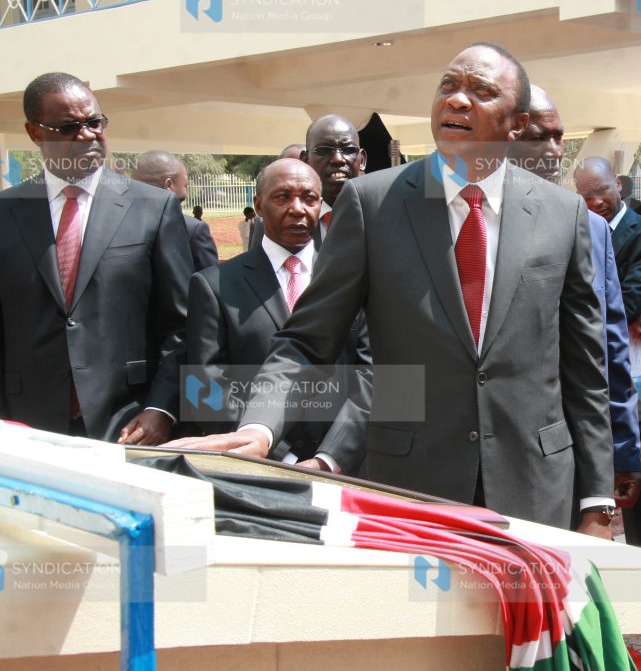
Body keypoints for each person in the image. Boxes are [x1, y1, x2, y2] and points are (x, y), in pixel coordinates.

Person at [167, 43, 615, 538]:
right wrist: (260, 426)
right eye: (448, 85)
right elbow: (305, 341)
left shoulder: (563, 214)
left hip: (536, 487)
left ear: (517, 124)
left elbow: (585, 370)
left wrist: (597, 501)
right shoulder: (373, 204)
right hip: (411, 487)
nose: (457, 99)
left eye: (481, 91)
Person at [0, 72, 192, 443]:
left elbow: (182, 324)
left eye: (94, 122)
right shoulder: (5, 213)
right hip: (23, 425)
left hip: (128, 421)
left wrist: (163, 408)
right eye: (69, 127)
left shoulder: (153, 208)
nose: (87, 135)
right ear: (35, 132)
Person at [185, 159, 371, 473]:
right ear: (258, 205)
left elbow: (371, 373)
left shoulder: (355, 278)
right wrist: (274, 450)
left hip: (343, 466)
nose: (297, 209)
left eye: (309, 198)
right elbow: (204, 387)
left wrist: (329, 458)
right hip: (255, 465)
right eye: (283, 197)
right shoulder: (214, 285)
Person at [507, 85, 641, 509]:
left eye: (559, 137)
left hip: (567, 442)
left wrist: (624, 449)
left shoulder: (592, 228)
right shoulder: (470, 225)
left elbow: (609, 349)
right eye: (538, 137)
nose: (553, 150)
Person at [574, 158, 641, 558]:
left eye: (602, 191)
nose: (596, 202)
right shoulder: (574, 231)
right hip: (581, 367)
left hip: (636, 368)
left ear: (618, 184)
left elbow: (630, 299)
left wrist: (625, 312)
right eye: (586, 196)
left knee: (635, 469)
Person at [133, 150, 219, 271]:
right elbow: (210, 277)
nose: (186, 191)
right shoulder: (193, 230)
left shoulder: (119, 225)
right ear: (169, 184)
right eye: (185, 185)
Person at [299, 114, 368, 245]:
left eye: (348, 150)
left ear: (362, 160)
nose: (338, 159)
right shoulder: (287, 222)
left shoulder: (382, 216)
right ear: (305, 161)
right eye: (324, 150)